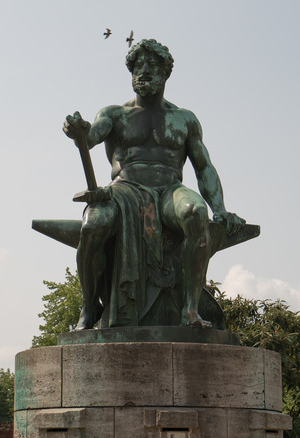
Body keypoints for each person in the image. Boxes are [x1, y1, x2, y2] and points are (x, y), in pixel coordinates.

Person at [63, 39, 245, 330]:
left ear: (166, 73)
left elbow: (204, 167)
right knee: (92, 226)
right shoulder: (113, 114)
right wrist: (79, 132)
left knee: (196, 213)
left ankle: (191, 311)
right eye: (138, 65)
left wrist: (220, 208)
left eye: (152, 65)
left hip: (169, 190)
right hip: (124, 189)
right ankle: (88, 307)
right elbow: (91, 136)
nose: (144, 70)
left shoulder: (185, 119)